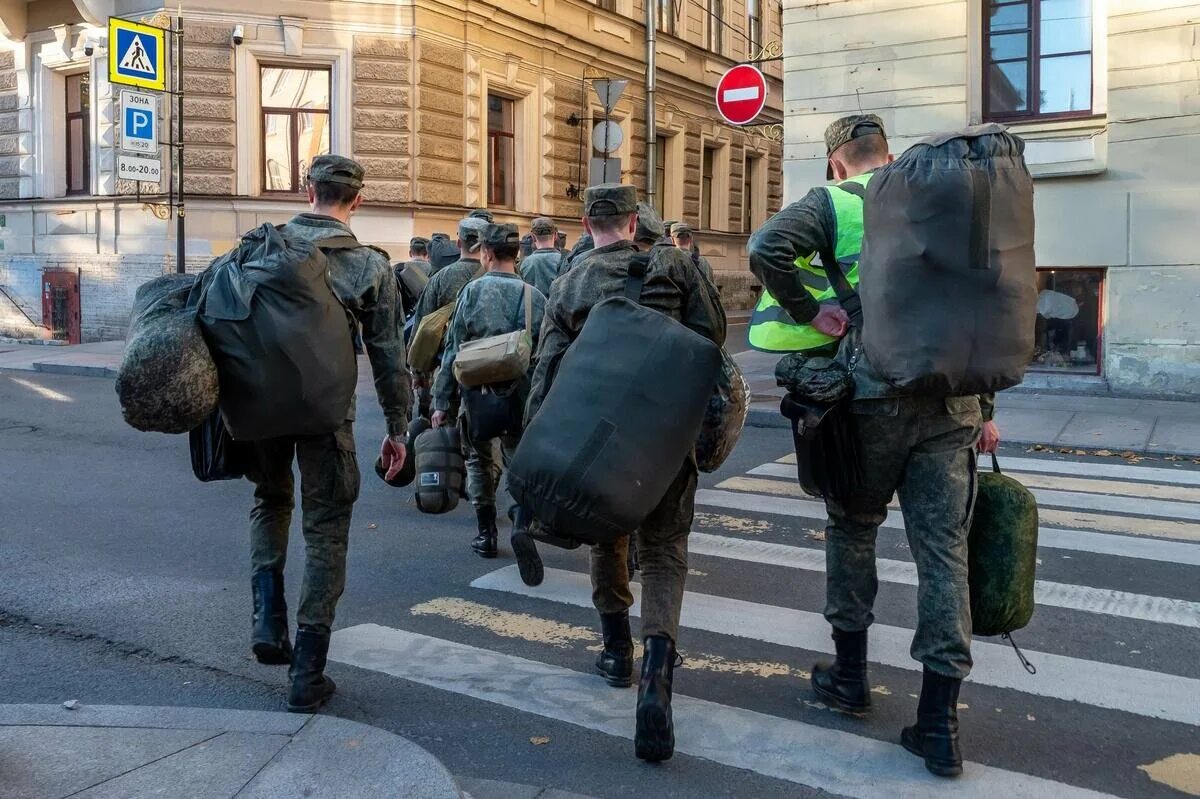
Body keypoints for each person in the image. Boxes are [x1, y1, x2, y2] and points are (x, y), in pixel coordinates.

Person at [747, 115, 1001, 778]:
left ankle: (850, 679)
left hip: (867, 400)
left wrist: (811, 312)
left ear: (836, 162)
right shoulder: (941, 196)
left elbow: (767, 248)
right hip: (950, 403)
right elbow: (978, 303)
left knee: (853, 530)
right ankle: (940, 723)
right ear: (888, 155)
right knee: (944, 555)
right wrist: (988, 408)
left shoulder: (833, 201)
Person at [526, 184, 725, 763]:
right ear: (635, 221)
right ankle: (658, 680)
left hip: (596, 438)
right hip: (664, 436)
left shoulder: (571, 281)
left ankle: (616, 652)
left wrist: (536, 441)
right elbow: (711, 341)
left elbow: (545, 369)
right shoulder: (676, 265)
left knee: (606, 534)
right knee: (665, 553)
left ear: (588, 224)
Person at [245, 155, 412, 713]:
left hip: (261, 410)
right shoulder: (368, 266)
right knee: (326, 531)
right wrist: (397, 428)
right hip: (326, 416)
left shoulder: (261, 245)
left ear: (306, 189)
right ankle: (307, 672)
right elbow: (390, 356)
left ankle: (267, 618)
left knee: (270, 502)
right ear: (357, 201)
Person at [431, 223, 547, 586]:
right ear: (518, 255)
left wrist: (441, 401)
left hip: (477, 395)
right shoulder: (535, 297)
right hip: (521, 395)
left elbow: (452, 349)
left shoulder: (471, 292)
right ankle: (521, 522)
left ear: (485, 253)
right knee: (519, 463)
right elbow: (547, 354)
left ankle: (485, 535)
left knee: (478, 460)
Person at [409, 217, 488, 420]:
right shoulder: (496, 276)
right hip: (489, 367)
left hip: (447, 367)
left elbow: (423, 325)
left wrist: (418, 373)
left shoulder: (440, 278)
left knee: (446, 431)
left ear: (459, 243)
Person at [519, 217, 568, 298]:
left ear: (533, 237)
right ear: (555, 235)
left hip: (533, 310)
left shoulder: (524, 263)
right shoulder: (566, 261)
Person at [394, 236, 432, 321]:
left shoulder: (397, 269)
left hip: (401, 320)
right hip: (425, 320)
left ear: (410, 253)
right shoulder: (435, 271)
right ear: (428, 254)